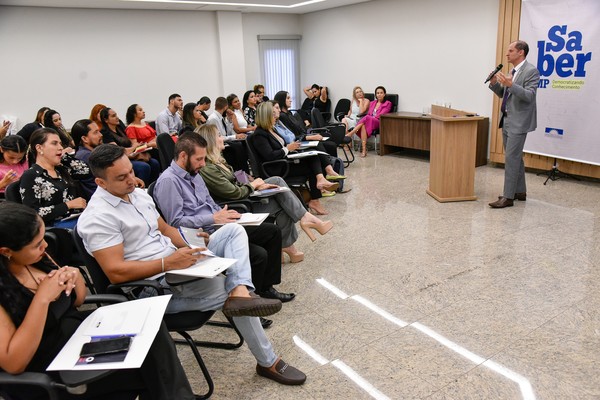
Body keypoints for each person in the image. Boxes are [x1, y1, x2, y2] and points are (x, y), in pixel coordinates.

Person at [77, 144, 306, 386]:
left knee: (232, 231)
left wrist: (192, 244)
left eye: (131, 172)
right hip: (150, 289)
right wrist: (168, 261)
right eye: (122, 178)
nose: (132, 180)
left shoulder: (137, 195)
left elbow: (165, 229)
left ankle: (241, 289)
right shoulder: (97, 218)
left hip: (176, 267)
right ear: (100, 183)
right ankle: (267, 359)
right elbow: (116, 272)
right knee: (229, 292)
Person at [0, 202, 196, 400]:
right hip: (50, 369)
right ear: (6, 251)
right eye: (37, 244)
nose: (45, 245)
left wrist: (74, 276)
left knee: (152, 332)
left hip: (77, 340)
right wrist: (41, 299)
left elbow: (79, 300)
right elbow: (14, 363)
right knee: (152, 366)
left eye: (43, 238)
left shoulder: (35, 260)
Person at [153, 132, 295, 301]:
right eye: (199, 159)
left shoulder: (195, 174)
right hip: (203, 235)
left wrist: (224, 214)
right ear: (183, 156)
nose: (203, 164)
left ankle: (265, 289)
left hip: (217, 225)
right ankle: (248, 298)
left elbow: (210, 203)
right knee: (258, 254)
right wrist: (213, 218)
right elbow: (175, 223)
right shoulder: (169, 181)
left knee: (272, 231)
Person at [197, 124, 333, 248]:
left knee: (279, 189)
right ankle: (300, 226)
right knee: (282, 200)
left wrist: (254, 185)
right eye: (219, 136)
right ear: (211, 141)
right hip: (235, 207)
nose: (223, 138)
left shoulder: (219, 161)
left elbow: (235, 181)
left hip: (242, 199)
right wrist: (253, 185)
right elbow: (234, 193)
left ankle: (291, 240)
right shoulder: (209, 168)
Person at [251, 102, 338, 215]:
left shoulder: (271, 130)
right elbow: (270, 155)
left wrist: (291, 149)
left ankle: (319, 185)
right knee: (312, 166)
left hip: (283, 161)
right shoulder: (259, 134)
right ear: (265, 116)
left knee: (313, 156)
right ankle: (316, 196)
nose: (275, 117)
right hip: (276, 168)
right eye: (272, 115)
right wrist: (287, 149)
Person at [488, 40, 540, 209]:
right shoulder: (513, 70)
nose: (507, 54)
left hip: (519, 122)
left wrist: (512, 84)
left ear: (521, 52)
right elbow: (505, 93)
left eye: (510, 50)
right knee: (516, 158)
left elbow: (529, 96)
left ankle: (508, 197)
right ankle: (520, 192)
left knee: (511, 159)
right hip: (507, 119)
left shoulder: (531, 71)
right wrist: (495, 83)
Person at [20, 128, 88, 229]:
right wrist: (67, 205)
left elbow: (85, 170)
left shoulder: (61, 170)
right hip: (54, 227)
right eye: (54, 143)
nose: (60, 147)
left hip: (76, 219)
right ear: (39, 148)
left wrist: (63, 156)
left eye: (60, 144)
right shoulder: (31, 175)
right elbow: (32, 214)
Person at [100, 107, 158, 185]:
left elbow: (132, 142)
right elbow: (116, 151)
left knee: (155, 163)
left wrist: (138, 146)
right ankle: (141, 189)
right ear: (106, 120)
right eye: (113, 116)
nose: (117, 117)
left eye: (116, 115)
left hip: (132, 155)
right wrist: (134, 147)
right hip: (120, 160)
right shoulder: (105, 132)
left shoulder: (120, 126)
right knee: (144, 167)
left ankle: (152, 188)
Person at [205, 96, 249, 173]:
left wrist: (230, 119)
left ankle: (245, 172)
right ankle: (241, 173)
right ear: (226, 107)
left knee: (242, 143)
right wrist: (235, 136)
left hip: (224, 140)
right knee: (238, 147)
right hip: (216, 144)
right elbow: (217, 137)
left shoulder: (221, 117)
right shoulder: (213, 118)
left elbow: (227, 132)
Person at [347, 86, 392, 157]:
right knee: (363, 126)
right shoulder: (372, 103)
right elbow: (368, 113)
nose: (379, 94)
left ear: (384, 94)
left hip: (379, 122)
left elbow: (382, 114)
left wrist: (371, 118)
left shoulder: (387, 103)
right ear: (376, 95)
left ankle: (352, 132)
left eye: (381, 93)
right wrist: (370, 118)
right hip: (370, 121)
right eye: (377, 93)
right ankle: (364, 150)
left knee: (367, 117)